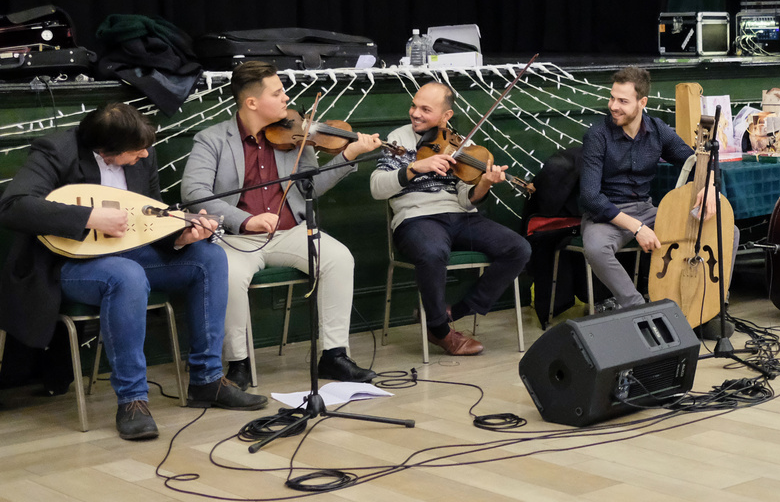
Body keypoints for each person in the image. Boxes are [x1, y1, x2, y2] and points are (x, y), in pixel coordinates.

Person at [0, 103, 266, 439]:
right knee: (126, 275)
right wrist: (89, 218)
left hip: (131, 253)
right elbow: (13, 206)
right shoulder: (57, 151)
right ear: (106, 150)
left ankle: (207, 380)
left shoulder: (143, 154)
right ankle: (132, 401)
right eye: (136, 150)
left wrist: (181, 236)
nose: (144, 154)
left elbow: (151, 218)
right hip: (67, 263)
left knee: (208, 257)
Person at [182, 62, 382, 385]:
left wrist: (349, 155)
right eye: (277, 94)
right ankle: (238, 363)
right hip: (234, 238)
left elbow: (311, 187)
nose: (286, 98)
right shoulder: (212, 139)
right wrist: (246, 220)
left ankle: (334, 355)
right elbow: (194, 193)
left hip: (289, 232)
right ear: (252, 102)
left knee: (339, 258)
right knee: (229, 275)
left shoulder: (294, 134)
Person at [371, 81, 531, 355]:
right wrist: (415, 168)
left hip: (460, 216)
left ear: (446, 116)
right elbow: (377, 188)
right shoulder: (398, 139)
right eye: (414, 106)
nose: (415, 113)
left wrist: (485, 183)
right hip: (417, 217)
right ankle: (441, 332)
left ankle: (455, 312)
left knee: (519, 248)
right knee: (432, 252)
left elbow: (465, 199)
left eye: (425, 109)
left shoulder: (461, 145)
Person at [574, 66, 719, 313]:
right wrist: (637, 227)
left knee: (725, 231)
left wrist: (710, 185)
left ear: (642, 102)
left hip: (647, 210)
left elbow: (697, 161)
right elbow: (590, 197)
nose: (613, 106)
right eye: (612, 98)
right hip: (608, 215)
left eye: (623, 101)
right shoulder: (597, 136)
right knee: (597, 249)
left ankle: (711, 302)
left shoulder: (657, 129)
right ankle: (639, 309)